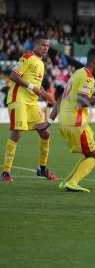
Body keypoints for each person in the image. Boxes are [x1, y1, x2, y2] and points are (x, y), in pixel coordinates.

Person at [36, 49, 95, 192]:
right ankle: (72, 183)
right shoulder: (88, 77)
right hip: (76, 122)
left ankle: (67, 181)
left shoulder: (77, 74)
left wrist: (49, 121)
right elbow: (82, 101)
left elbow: (61, 98)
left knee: (88, 154)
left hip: (64, 122)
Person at [2, 36, 58, 183]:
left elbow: (38, 85)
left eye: (47, 46)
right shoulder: (28, 56)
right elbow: (13, 75)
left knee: (45, 132)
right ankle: (6, 172)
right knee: (17, 133)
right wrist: (33, 88)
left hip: (32, 102)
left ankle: (42, 168)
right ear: (35, 45)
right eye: (43, 45)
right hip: (18, 98)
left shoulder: (41, 63)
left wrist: (48, 96)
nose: (46, 48)